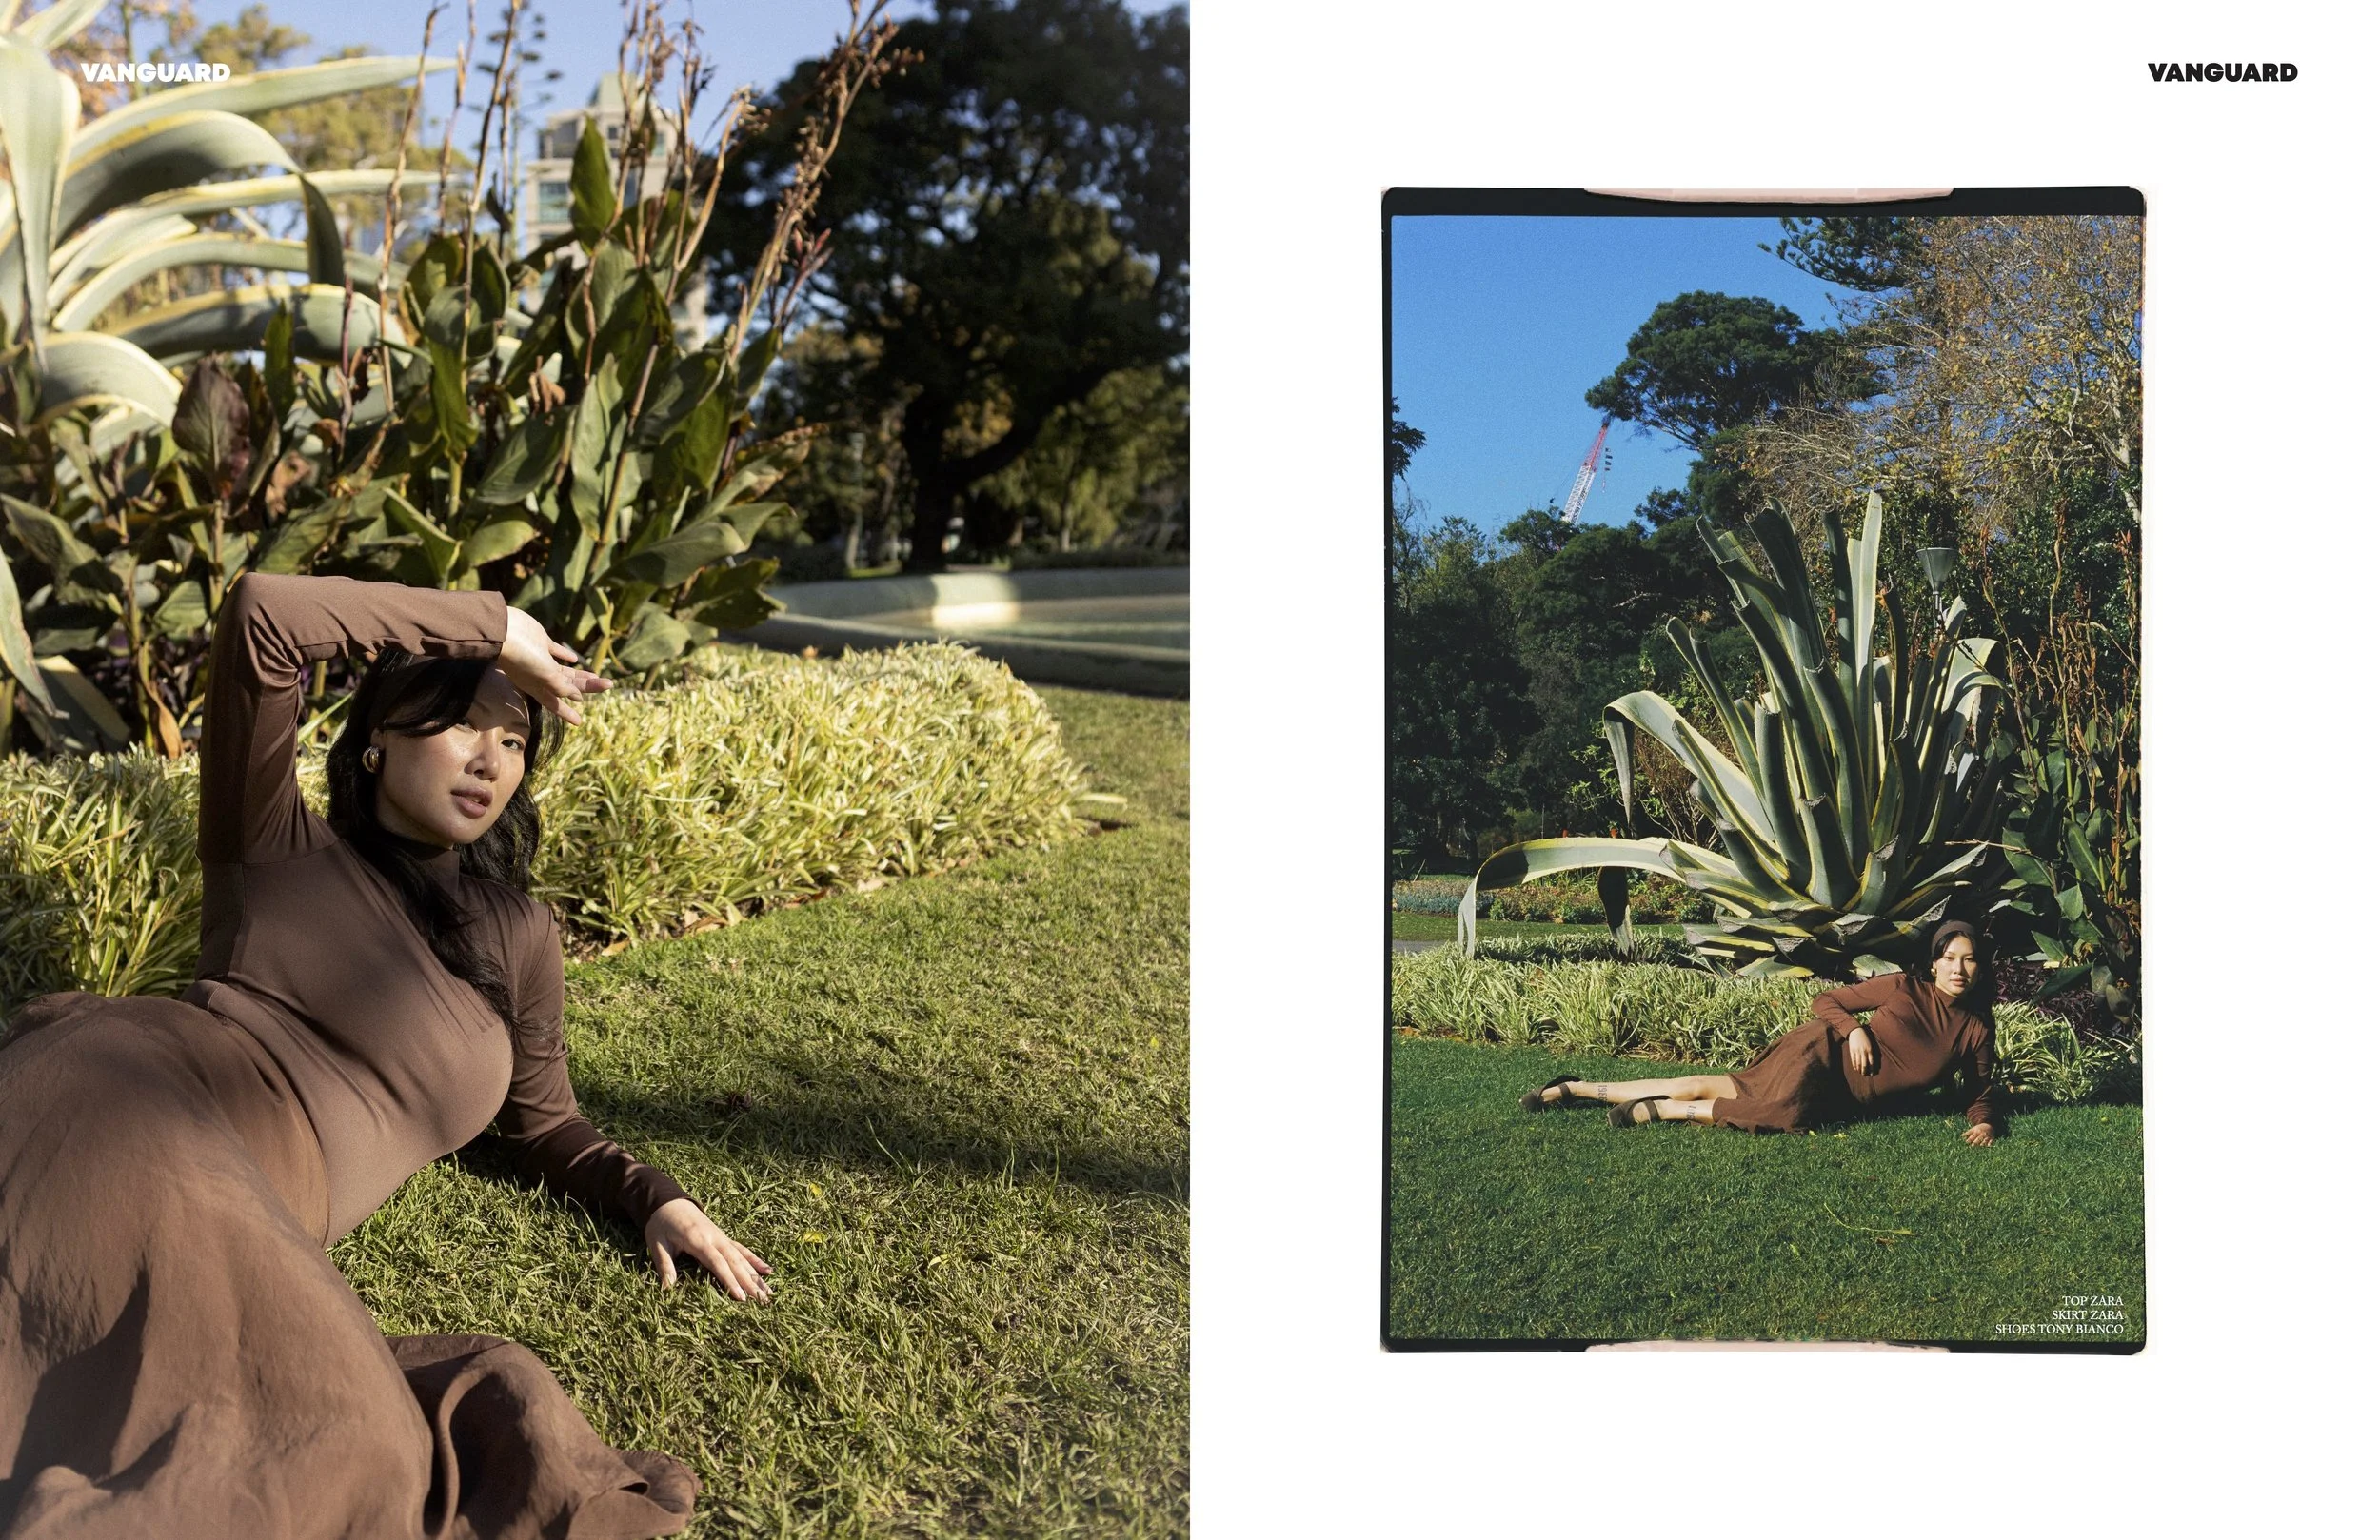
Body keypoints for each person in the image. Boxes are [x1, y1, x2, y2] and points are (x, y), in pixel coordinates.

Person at [0, 573, 773, 1537]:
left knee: (345, 1441)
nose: (491, 757)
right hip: (132, 1092)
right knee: (330, 1435)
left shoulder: (519, 933)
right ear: (379, 735)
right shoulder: (275, 845)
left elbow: (544, 1120)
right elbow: (263, 617)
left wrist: (655, 1196)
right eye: (462, 722)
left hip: (255, 1204)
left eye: (515, 738)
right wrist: (498, 629)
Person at [1518, 921, 2003, 1144]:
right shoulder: (1901, 986)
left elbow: (1980, 1090)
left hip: (1845, 1097)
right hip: (1821, 1054)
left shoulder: (1975, 1031)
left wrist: (1983, 1121)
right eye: (1949, 957)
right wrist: (1855, 1031)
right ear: (1935, 961)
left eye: (1969, 958)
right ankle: (1661, 1110)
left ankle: (1574, 1085)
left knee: (1706, 1082)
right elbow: (1825, 1001)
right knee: (1782, 1111)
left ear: (1980, 968)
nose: (1958, 968)